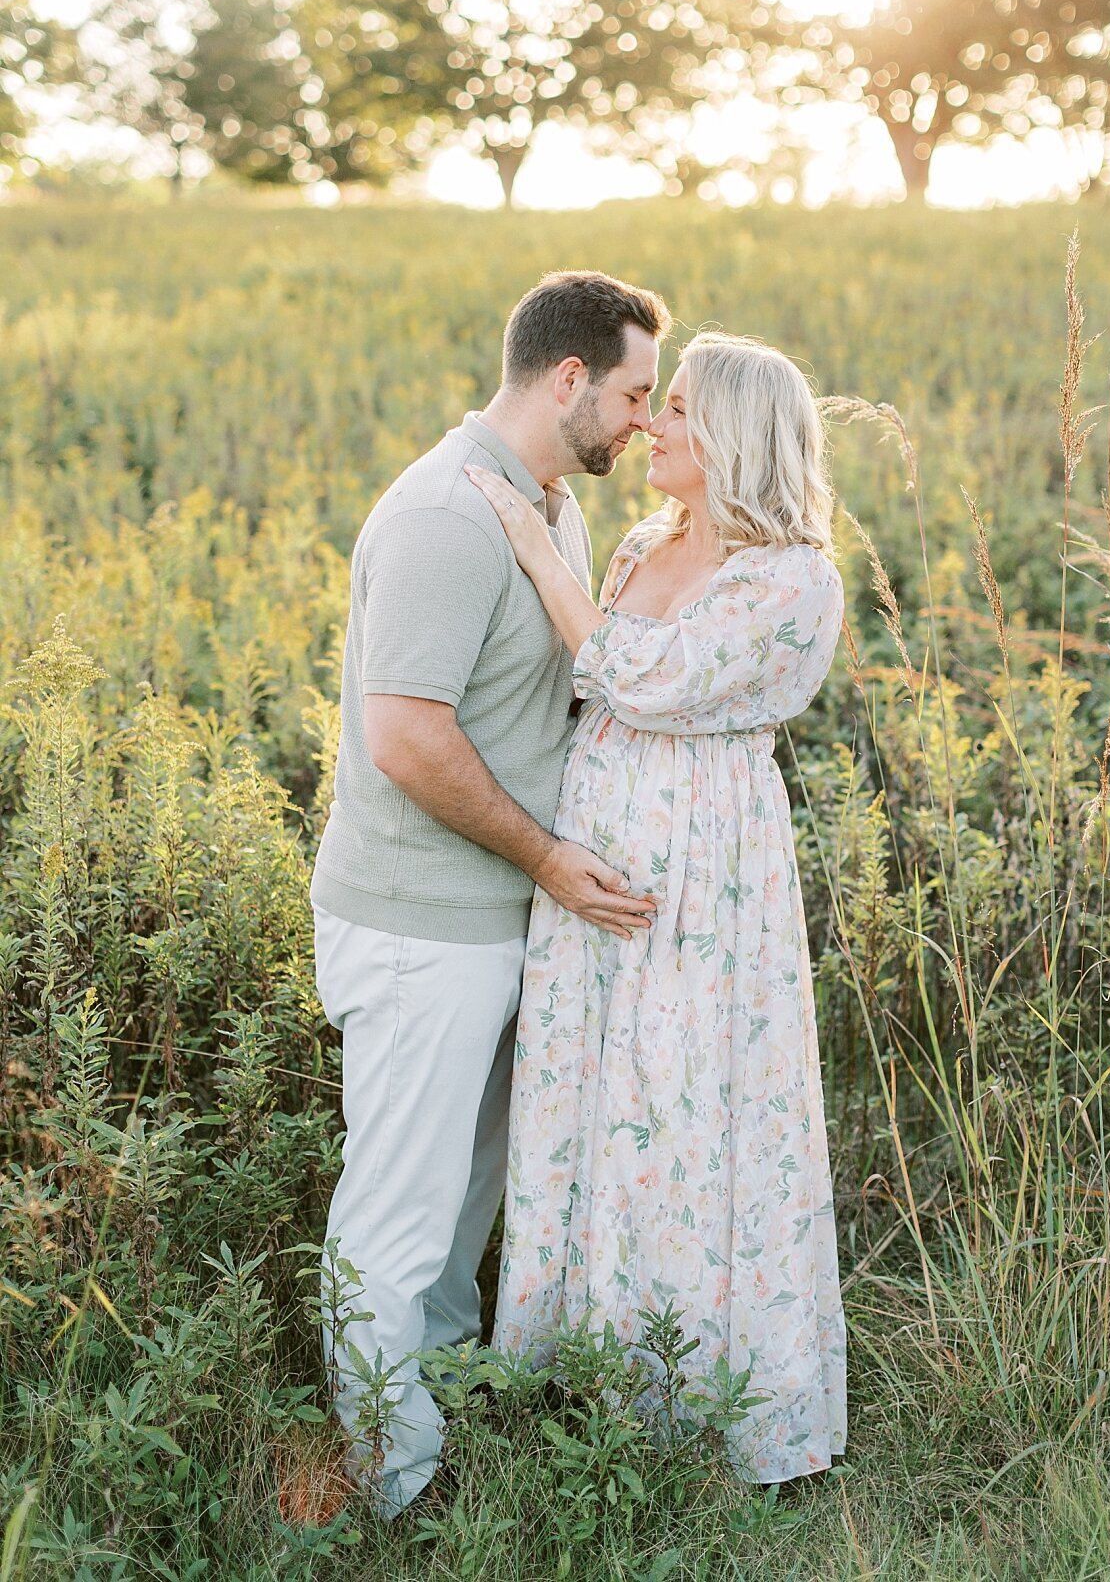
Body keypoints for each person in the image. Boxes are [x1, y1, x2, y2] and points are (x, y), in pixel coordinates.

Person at [309, 270, 671, 1518]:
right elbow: (406, 737)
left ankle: (441, 1404)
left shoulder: (548, 504)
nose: (643, 421)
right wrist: (548, 859)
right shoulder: (443, 520)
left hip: (497, 921)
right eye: (631, 393)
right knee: (399, 1216)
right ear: (568, 377)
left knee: (465, 1206)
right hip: (420, 925)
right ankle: (387, 1488)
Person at [466, 331, 848, 1483]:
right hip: (593, 861)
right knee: (593, 1094)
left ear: (733, 433)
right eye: (654, 403)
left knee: (690, 1110)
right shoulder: (641, 542)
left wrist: (541, 557)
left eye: (676, 409)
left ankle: (709, 1409)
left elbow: (649, 681)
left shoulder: (792, 576)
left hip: (705, 872)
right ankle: (586, 1387)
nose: (651, 425)